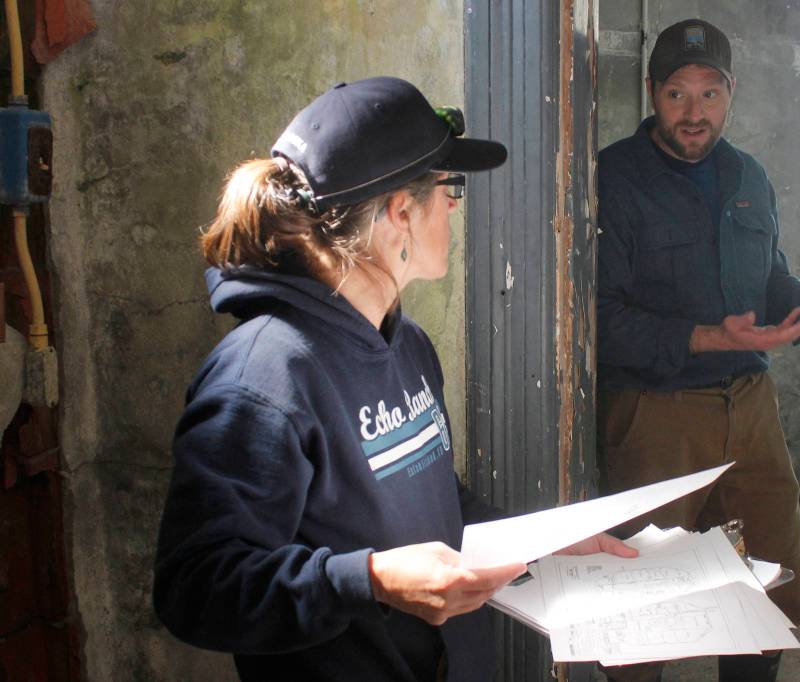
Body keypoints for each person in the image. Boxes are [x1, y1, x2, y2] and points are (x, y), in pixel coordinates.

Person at [153, 76, 634, 682]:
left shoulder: (405, 343)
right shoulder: (264, 378)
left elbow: (436, 506)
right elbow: (193, 588)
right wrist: (373, 580)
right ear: (401, 213)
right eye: (448, 188)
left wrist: (540, 546)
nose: (456, 207)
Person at [595, 19, 800, 682]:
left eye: (710, 95)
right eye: (678, 94)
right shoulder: (614, 178)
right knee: (641, 603)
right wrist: (713, 336)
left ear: (731, 92)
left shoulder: (748, 175)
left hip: (749, 408)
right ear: (651, 91)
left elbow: (773, 286)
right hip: (657, 415)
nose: (694, 113)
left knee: (770, 583)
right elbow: (600, 320)